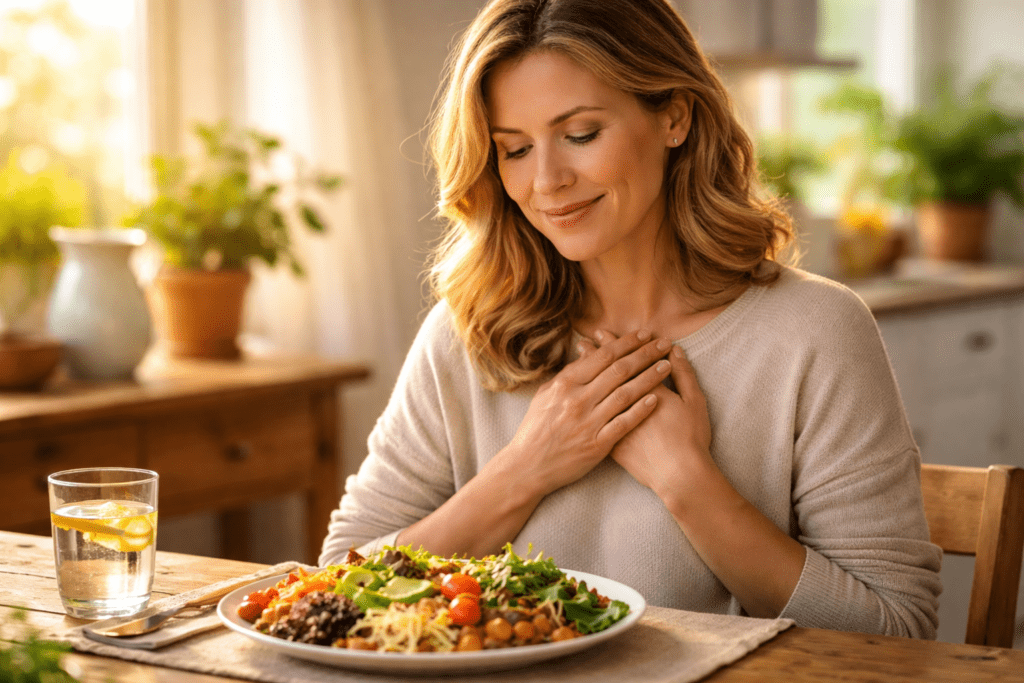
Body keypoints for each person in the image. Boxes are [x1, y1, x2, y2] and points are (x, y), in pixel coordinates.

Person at [320, 0, 942, 638]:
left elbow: (896, 635)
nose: (547, 181)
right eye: (515, 149)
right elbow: (338, 585)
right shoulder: (469, 334)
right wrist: (525, 468)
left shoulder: (815, 332)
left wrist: (688, 483)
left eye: (581, 135)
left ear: (674, 116)